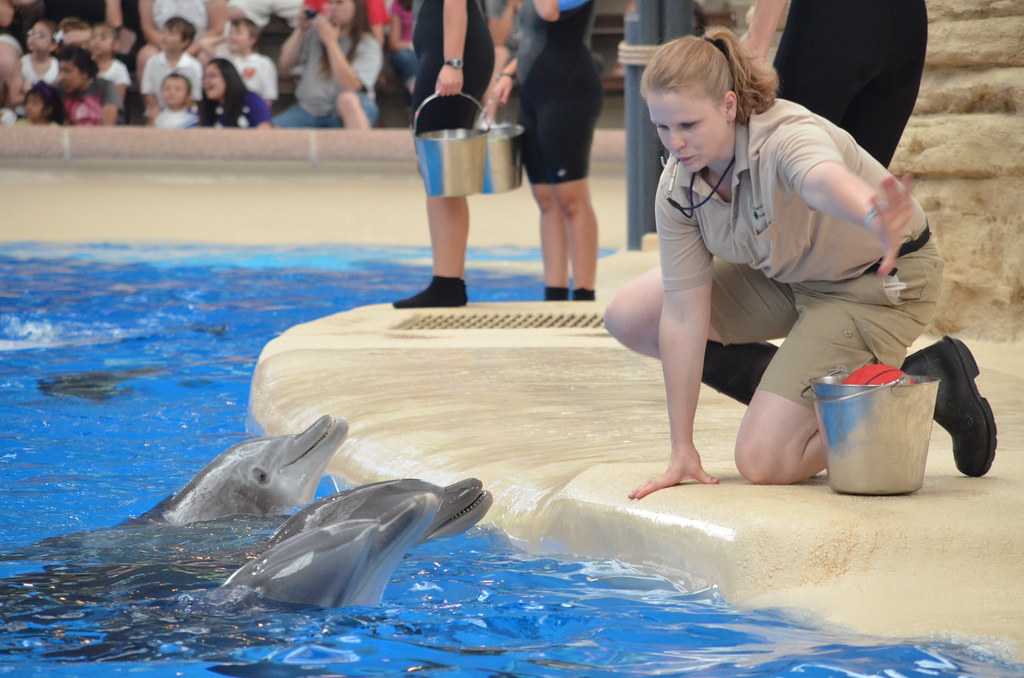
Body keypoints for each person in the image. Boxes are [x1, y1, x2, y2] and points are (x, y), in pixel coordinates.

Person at [603, 30, 995, 501]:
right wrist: (681, 449)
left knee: (764, 462)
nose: (677, 143)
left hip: (873, 286)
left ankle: (919, 381)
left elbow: (819, 179)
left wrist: (871, 209)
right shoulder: (680, 186)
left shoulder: (784, 135)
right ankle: (798, 396)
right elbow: (685, 315)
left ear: (729, 106)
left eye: (688, 124)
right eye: (663, 128)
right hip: (792, 278)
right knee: (632, 314)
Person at [491, 0, 601, 302]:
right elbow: (532, 39)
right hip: (533, 91)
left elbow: (549, 12)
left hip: (568, 91)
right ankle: (553, 292)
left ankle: (583, 292)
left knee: (571, 198)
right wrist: (508, 73)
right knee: (545, 197)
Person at [392, 0, 494, 308]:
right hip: (443, 52)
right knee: (438, 169)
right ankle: (448, 280)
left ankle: (447, 283)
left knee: (439, 167)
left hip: (449, 56)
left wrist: (453, 62)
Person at [743, 0, 927, 169]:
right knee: (855, 191)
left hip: (837, 16)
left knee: (776, 168)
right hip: (907, 19)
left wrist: (753, 50)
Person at [272, 0, 381, 129]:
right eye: (331, 3)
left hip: (343, 111)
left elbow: (351, 85)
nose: (333, 8)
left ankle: (362, 148)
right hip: (309, 110)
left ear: (357, 7)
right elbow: (285, 63)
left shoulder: (368, 44)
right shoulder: (315, 32)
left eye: (339, 3)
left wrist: (331, 43)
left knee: (348, 100)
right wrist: (300, 30)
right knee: (265, 131)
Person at [197, 17, 278, 107]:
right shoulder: (226, 57)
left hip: (251, 107)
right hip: (227, 107)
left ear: (252, 40)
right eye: (231, 32)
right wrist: (225, 38)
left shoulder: (263, 63)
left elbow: (268, 98)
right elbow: (203, 43)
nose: (233, 37)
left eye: (238, 33)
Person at [137, 0, 228, 77]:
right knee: (146, 56)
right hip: (164, 41)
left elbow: (217, 28)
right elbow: (148, 28)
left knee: (206, 58)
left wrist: (188, 52)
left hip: (200, 42)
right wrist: (168, 47)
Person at [139, 16, 203, 124]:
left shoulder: (194, 65)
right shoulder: (152, 62)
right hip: (158, 111)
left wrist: (178, 111)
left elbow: (195, 96)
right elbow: (148, 91)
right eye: (164, 33)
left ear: (185, 42)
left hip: (185, 111)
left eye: (171, 34)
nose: (165, 37)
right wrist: (157, 109)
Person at [56, 44, 122, 125]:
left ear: (84, 73)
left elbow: (108, 128)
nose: (61, 77)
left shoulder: (106, 88)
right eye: (60, 71)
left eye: (67, 71)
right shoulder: (59, 90)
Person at [197, 56, 271, 126]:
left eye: (212, 76)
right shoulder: (208, 107)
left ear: (228, 78)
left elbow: (265, 130)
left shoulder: (252, 101)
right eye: (204, 77)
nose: (206, 81)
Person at [8, 18, 58, 108]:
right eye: (32, 33)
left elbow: (56, 98)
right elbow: (14, 99)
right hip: (23, 115)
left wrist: (30, 91)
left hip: (47, 117)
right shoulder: (21, 63)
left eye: (41, 36)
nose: (34, 38)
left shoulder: (57, 66)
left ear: (52, 45)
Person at [89, 21, 132, 100]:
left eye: (103, 38)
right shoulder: (85, 65)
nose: (96, 41)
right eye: (93, 37)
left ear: (115, 45)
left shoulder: (119, 69)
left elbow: (119, 99)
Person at [385, 0, 414, 100]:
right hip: (406, 51)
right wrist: (412, 46)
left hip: (426, 51)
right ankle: (414, 98)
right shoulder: (398, 4)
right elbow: (394, 43)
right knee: (406, 57)